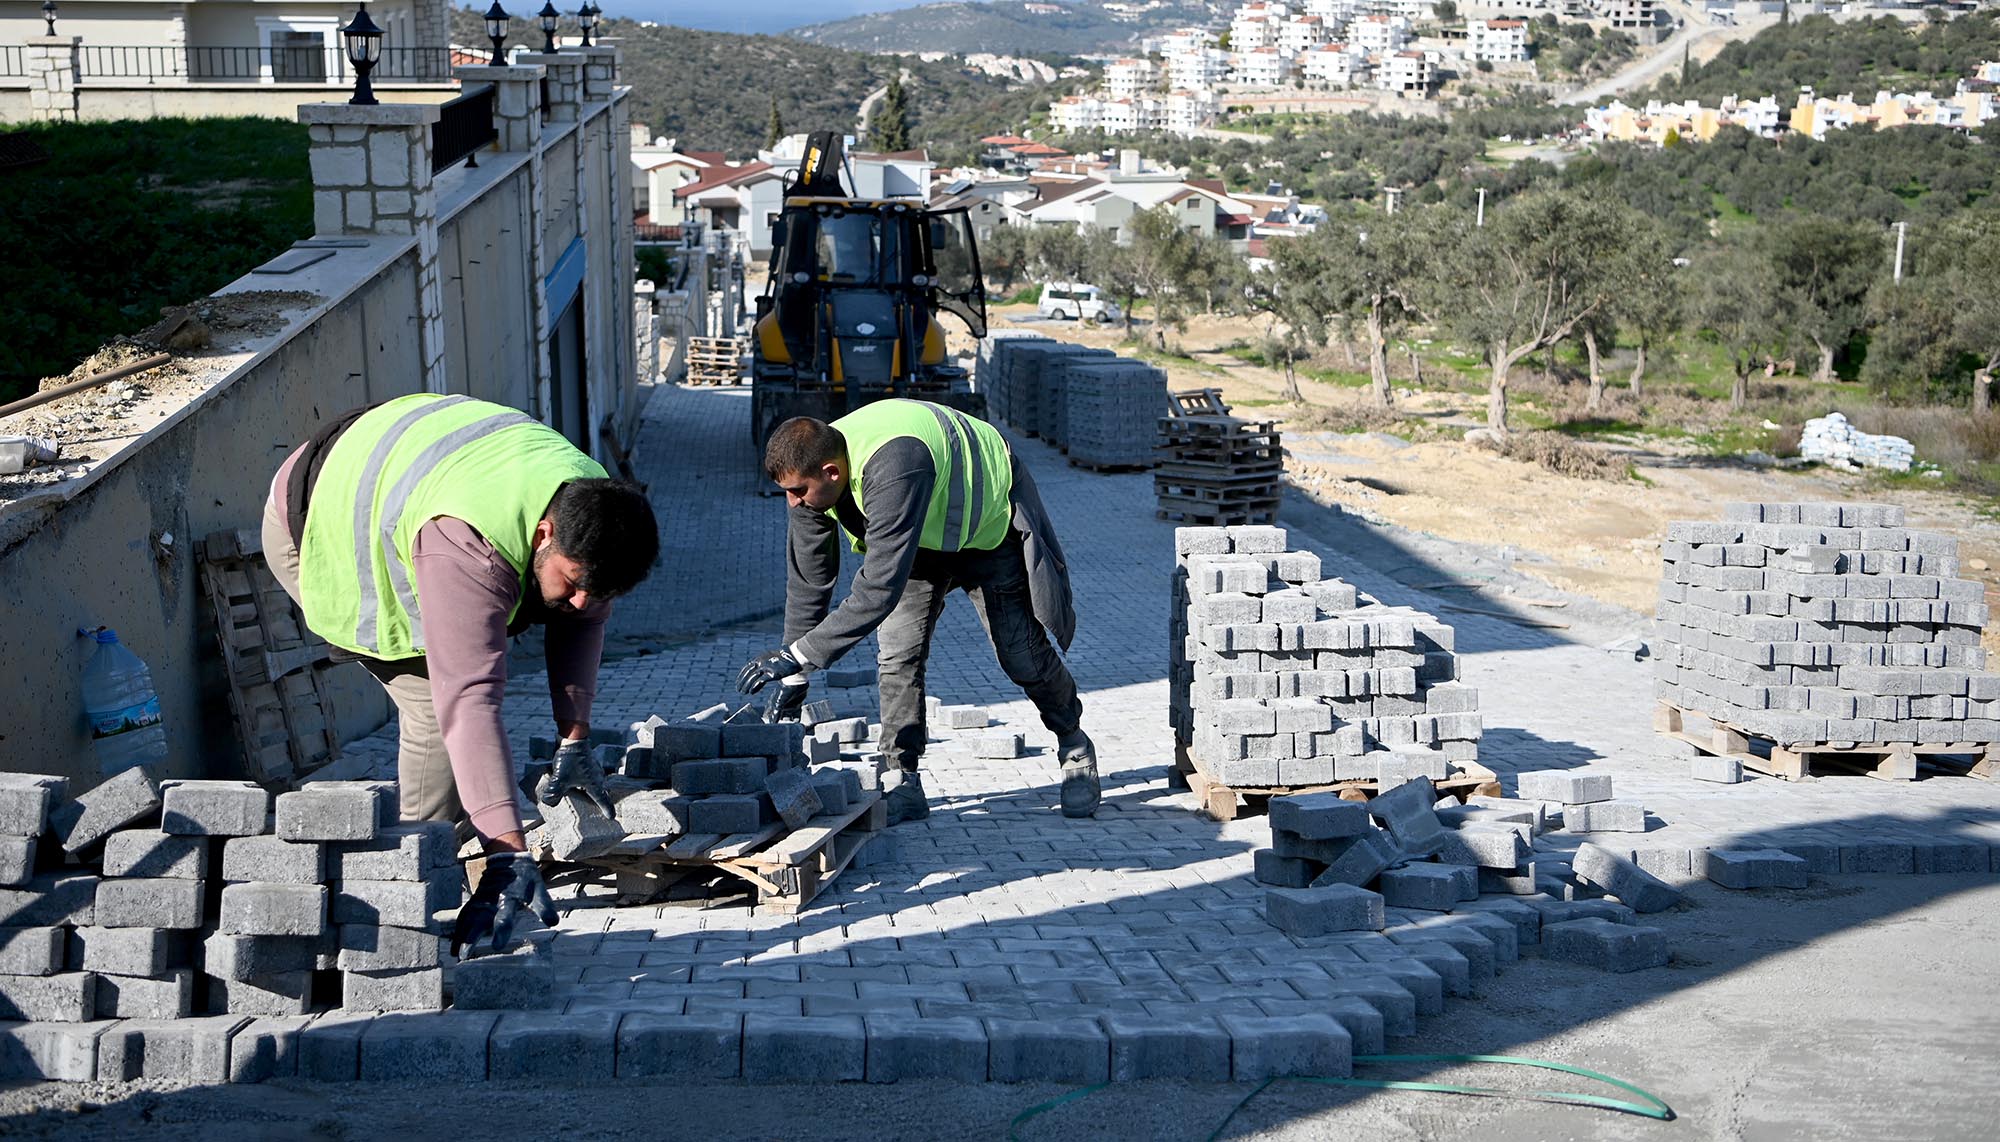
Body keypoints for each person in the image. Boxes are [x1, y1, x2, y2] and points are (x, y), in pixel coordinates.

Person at [261, 393, 659, 951]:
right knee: (432, 707)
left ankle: (438, 862)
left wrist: (575, 740)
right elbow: (469, 698)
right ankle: (402, 896)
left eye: (597, 589)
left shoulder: (593, 507)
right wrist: (507, 855)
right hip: (323, 515)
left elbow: (582, 620)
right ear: (544, 534)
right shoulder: (468, 543)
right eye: (572, 581)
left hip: (403, 471)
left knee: (469, 699)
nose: (580, 600)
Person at [737, 400, 1098, 824]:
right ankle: (901, 776)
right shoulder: (809, 475)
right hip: (918, 539)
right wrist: (796, 674)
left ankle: (1074, 743)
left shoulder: (894, 463)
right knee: (897, 655)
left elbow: (878, 588)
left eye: (798, 492)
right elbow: (810, 582)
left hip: (985, 529)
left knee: (1020, 653)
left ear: (831, 473)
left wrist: (799, 655)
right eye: (788, 493)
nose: (793, 503)